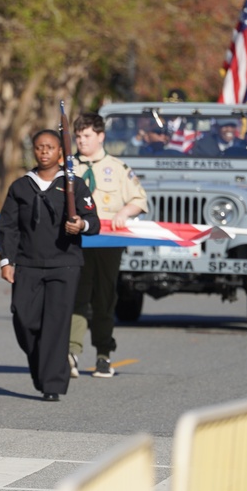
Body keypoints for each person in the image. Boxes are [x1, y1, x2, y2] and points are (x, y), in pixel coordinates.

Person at [0, 129, 100, 401]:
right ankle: (43, 365)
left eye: (50, 147)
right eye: (39, 147)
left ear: (60, 153)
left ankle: (53, 384)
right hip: (28, 264)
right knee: (24, 319)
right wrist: (7, 261)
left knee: (56, 324)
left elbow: (93, 221)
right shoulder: (21, 186)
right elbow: (8, 227)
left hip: (64, 265)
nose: (44, 152)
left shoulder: (73, 185)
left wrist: (80, 224)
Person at [68, 112, 147, 379]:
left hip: (108, 243)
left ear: (101, 136)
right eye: (78, 136)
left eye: (87, 136)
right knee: (77, 296)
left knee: (103, 298)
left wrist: (125, 212)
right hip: (76, 242)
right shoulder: (68, 168)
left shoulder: (118, 168)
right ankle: (71, 352)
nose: (82, 141)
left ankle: (103, 354)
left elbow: (139, 198)